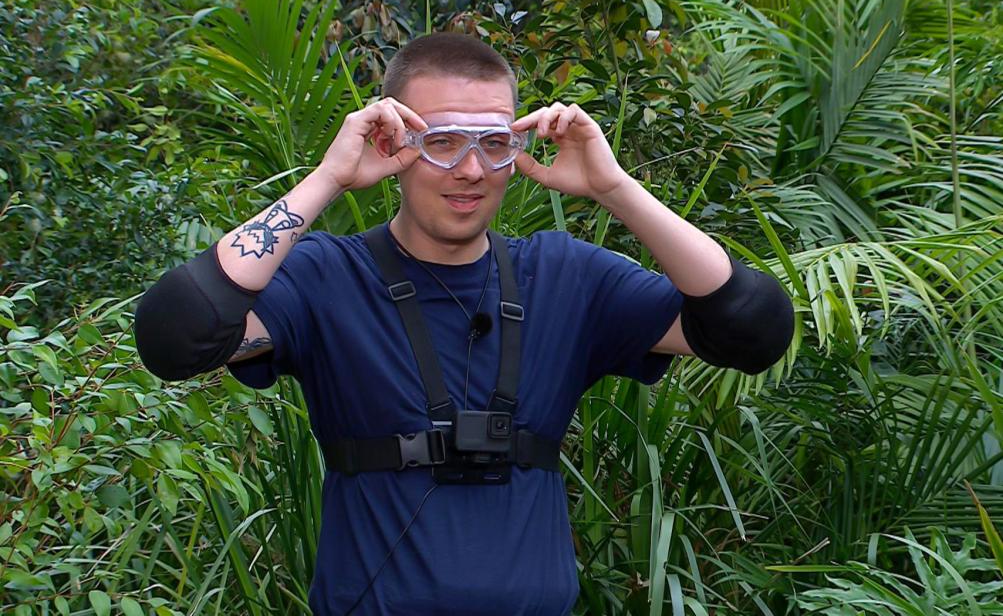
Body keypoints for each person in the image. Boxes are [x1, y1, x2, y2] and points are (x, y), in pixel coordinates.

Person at [135, 32, 793, 616]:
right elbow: (177, 335)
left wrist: (612, 187)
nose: (470, 171)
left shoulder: (569, 278)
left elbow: (753, 329)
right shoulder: (324, 279)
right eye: (442, 141)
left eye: (494, 144)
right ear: (391, 142)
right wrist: (328, 178)